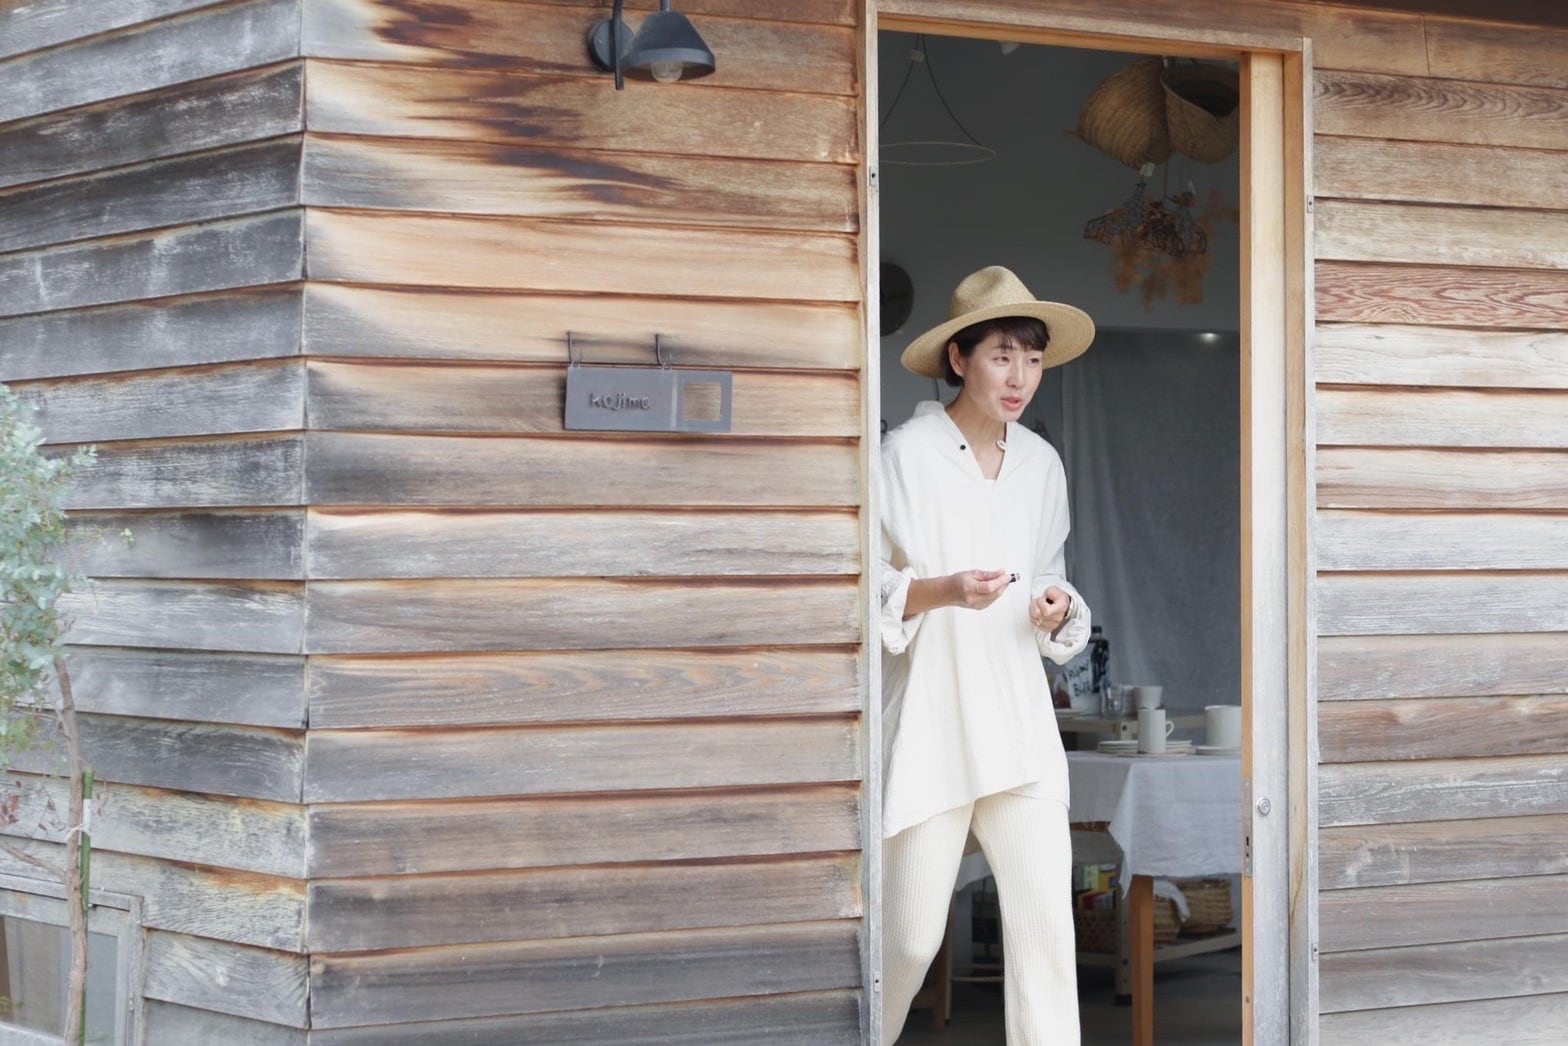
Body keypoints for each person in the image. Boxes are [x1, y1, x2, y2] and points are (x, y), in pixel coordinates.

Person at [878, 265, 1095, 1044]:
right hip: (931, 720)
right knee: (907, 942)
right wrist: (943, 590)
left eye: (1032, 360)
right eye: (1002, 356)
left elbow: (1049, 578)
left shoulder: (1042, 464)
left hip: (1018, 723)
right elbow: (863, 587)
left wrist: (1055, 607)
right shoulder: (902, 455)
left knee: (1046, 940)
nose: (1020, 378)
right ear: (959, 357)